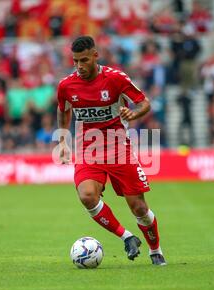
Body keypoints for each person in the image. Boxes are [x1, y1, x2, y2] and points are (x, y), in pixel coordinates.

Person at [56, 36, 166, 266]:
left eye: (84, 60)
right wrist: (63, 140)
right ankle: (127, 237)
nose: (79, 66)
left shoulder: (115, 79)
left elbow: (144, 102)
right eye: (75, 61)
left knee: (139, 207)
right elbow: (64, 110)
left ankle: (155, 250)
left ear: (95, 55)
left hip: (118, 148)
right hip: (88, 149)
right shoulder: (67, 85)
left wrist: (134, 114)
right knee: (87, 196)